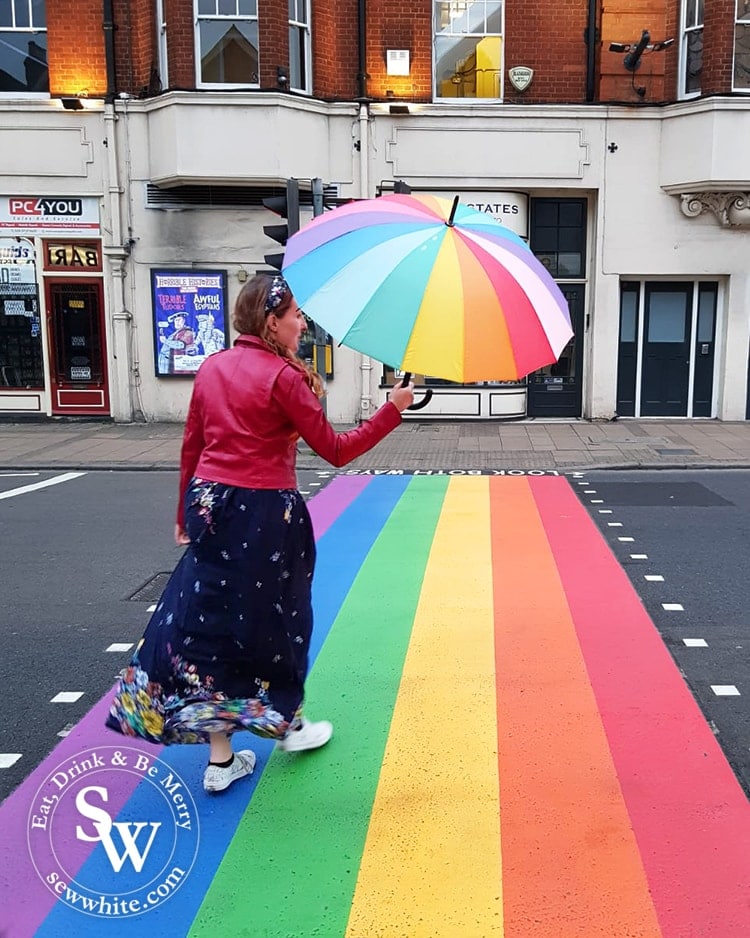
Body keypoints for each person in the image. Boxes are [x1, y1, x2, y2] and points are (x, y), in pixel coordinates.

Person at [107, 272, 414, 793]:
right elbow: (336, 451)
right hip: (264, 512)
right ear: (272, 321)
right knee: (276, 622)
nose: (302, 322)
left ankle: (221, 759)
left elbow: (193, 444)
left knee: (207, 624)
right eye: (295, 314)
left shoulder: (213, 367)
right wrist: (392, 411)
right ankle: (288, 726)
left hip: (209, 504)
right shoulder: (283, 378)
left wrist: (184, 512)